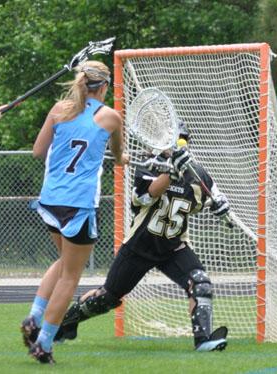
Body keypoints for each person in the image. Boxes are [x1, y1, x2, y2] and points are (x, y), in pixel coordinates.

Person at [55, 122, 230, 352]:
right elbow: (147, 196)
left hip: (173, 248)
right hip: (140, 247)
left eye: (180, 141)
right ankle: (65, 323)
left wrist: (221, 209)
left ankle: (204, 340)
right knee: (107, 298)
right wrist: (171, 172)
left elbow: (211, 199)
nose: (176, 146)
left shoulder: (197, 175)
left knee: (200, 283)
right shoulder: (148, 167)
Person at [20, 60, 128, 364]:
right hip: (79, 204)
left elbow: (38, 152)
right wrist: (124, 157)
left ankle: (34, 317)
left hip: (50, 200)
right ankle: (43, 343)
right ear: (104, 86)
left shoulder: (59, 109)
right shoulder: (110, 117)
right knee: (71, 276)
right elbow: (119, 156)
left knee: (64, 262)